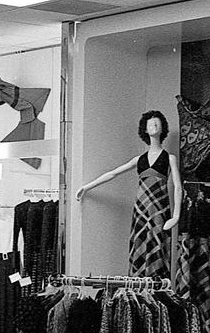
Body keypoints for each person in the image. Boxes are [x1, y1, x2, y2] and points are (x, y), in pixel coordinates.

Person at [76, 110, 182, 279]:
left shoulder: (169, 158)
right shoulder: (138, 159)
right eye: (150, 124)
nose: (153, 125)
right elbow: (113, 173)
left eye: (157, 123)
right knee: (138, 246)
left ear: (163, 128)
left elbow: (177, 187)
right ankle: (138, 292)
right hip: (140, 210)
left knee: (159, 247)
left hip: (160, 210)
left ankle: (157, 293)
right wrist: (88, 187)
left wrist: (176, 216)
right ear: (144, 130)